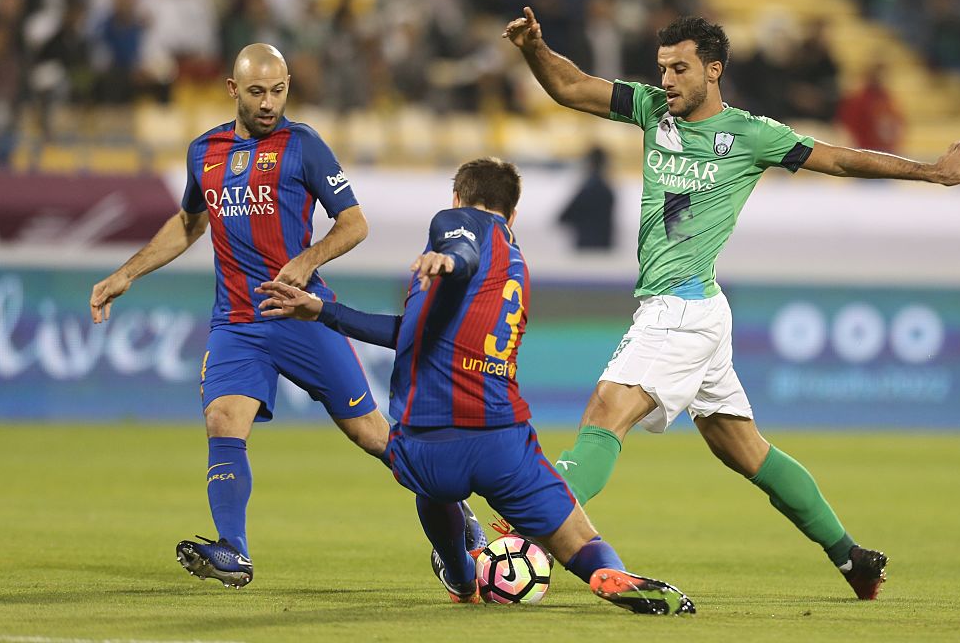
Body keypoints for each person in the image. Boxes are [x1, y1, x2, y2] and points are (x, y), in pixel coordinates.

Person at [503, 8, 960, 600]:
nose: (667, 82)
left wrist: (932, 172)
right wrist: (535, 48)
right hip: (700, 308)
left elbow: (838, 159)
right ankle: (852, 557)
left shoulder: (753, 135)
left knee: (605, 416)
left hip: (680, 311)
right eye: (662, 69)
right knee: (745, 449)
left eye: (680, 69)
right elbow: (571, 87)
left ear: (714, 71)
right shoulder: (651, 109)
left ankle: (519, 533)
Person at [256, 158, 696, 615]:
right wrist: (323, 310)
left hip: (427, 440)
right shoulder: (517, 265)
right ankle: (606, 569)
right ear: (514, 213)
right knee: (577, 538)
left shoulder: (456, 223)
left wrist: (450, 259)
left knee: (431, 490)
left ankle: (463, 578)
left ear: (457, 198)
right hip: (499, 440)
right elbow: (411, 329)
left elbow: (461, 249)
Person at [89, 43, 399, 588]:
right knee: (222, 421)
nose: (269, 103)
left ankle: (455, 516)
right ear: (233, 90)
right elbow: (189, 222)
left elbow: (353, 223)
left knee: (372, 435)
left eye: (278, 91)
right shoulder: (203, 151)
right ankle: (233, 550)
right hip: (236, 321)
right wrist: (127, 273)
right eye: (257, 92)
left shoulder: (303, 145)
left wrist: (306, 260)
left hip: (299, 314)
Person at [559, 145, 616, 250]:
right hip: (603, 247)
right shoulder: (607, 189)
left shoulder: (589, 188)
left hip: (587, 248)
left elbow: (563, 216)